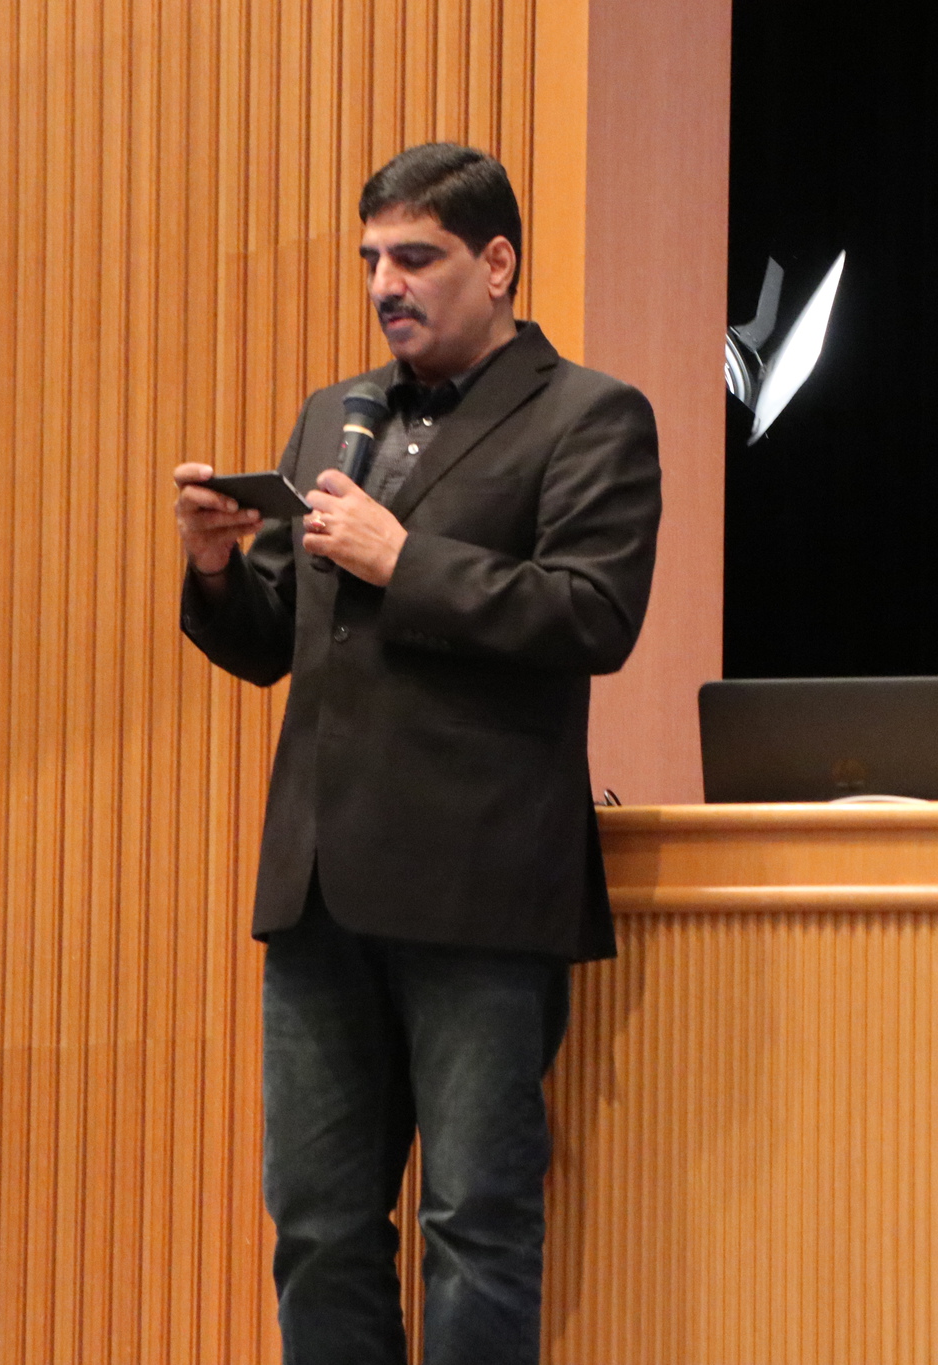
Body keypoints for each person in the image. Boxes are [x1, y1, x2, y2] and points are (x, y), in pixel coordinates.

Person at [172, 143, 661, 1365]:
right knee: (317, 1230)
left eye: (415, 257)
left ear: (495, 264)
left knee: (473, 1226)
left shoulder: (587, 415)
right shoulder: (334, 416)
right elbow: (275, 639)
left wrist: (405, 562)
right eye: (371, 260)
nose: (385, 284)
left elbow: (592, 614)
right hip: (321, 892)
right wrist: (216, 568)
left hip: (478, 892)